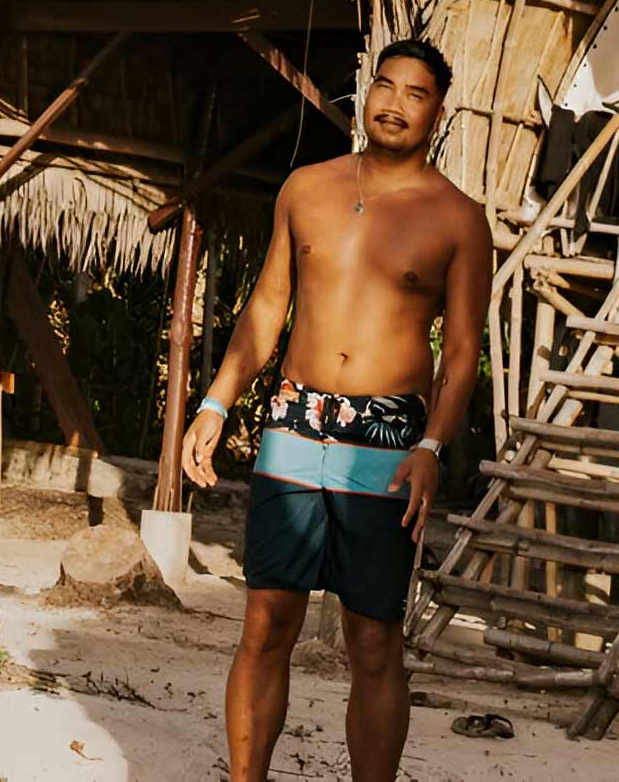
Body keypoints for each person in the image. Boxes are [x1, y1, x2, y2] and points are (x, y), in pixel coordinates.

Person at [181, 40, 488, 782]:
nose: (394, 101)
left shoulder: (458, 218)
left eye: (415, 93)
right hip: (294, 419)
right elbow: (268, 306)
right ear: (365, 92)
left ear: (438, 113)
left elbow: (462, 355)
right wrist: (219, 401)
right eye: (385, 85)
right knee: (266, 621)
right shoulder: (305, 188)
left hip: (386, 436)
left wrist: (433, 448)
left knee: (374, 637)